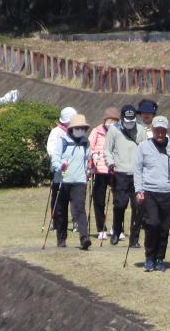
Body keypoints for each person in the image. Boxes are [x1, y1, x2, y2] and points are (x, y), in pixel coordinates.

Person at [134, 115, 170, 273]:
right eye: (157, 130)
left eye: (163, 130)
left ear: (166, 130)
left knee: (164, 227)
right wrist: (139, 190)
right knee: (152, 224)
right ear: (153, 130)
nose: (160, 133)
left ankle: (160, 258)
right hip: (149, 191)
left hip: (168, 192)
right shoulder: (143, 147)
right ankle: (149, 257)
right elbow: (137, 170)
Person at [104, 104, 146, 246]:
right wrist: (110, 163)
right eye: (127, 120)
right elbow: (107, 150)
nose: (129, 123)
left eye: (132, 120)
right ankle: (116, 230)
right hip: (120, 172)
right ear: (122, 118)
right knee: (120, 205)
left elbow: (145, 149)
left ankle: (134, 238)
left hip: (137, 174)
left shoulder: (141, 130)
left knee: (138, 206)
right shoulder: (114, 130)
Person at [50, 113, 91, 250]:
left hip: (79, 181)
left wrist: (89, 170)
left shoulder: (86, 142)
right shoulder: (62, 141)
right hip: (62, 180)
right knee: (61, 211)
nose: (81, 130)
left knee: (79, 209)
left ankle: (84, 237)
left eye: (83, 128)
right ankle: (61, 239)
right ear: (72, 128)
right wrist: (60, 166)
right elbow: (55, 158)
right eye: (78, 127)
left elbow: (86, 160)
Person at [88, 107, 120, 241]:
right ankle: (101, 228)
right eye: (109, 120)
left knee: (119, 201)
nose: (111, 123)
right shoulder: (96, 131)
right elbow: (89, 146)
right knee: (99, 200)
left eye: (114, 121)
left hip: (115, 170)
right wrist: (93, 155)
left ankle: (118, 228)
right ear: (104, 120)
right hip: (100, 170)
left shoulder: (120, 132)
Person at [46, 106, 77, 232]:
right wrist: (60, 162)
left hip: (74, 170)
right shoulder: (56, 132)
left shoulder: (75, 132)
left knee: (74, 197)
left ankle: (76, 222)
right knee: (58, 197)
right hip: (59, 170)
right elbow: (51, 150)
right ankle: (56, 221)